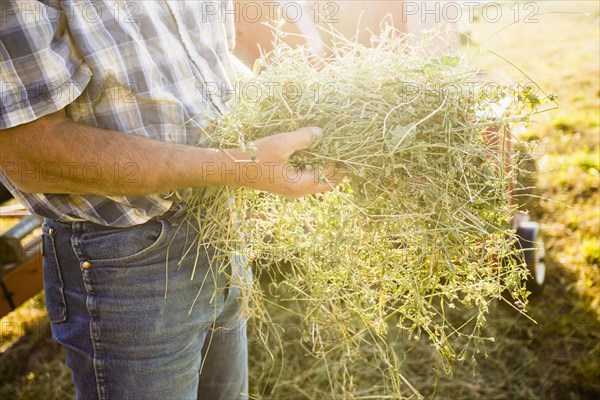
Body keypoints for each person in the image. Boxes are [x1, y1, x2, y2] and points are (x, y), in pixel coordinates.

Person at [0, 1, 342, 399]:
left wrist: (287, 112)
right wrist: (235, 167)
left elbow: (200, 65)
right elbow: (30, 155)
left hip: (218, 226)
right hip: (126, 261)